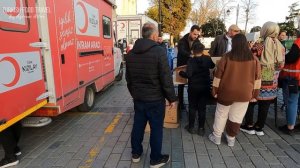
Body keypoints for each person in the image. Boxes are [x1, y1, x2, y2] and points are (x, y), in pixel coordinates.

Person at [125, 22, 177, 168]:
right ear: (154, 35)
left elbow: (128, 79)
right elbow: (165, 77)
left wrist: (134, 94)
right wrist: (171, 98)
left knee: (138, 125)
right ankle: (155, 159)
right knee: (156, 129)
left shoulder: (130, 54)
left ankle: (136, 154)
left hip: (139, 99)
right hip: (155, 99)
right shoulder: (159, 52)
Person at [208, 34, 261, 147]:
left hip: (226, 92)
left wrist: (215, 91)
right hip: (245, 94)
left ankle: (216, 137)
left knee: (221, 114)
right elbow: (257, 79)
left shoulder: (226, 57)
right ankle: (231, 138)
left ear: (234, 44)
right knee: (237, 116)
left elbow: (218, 76)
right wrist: (255, 95)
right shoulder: (254, 59)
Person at [240, 22, 285, 136]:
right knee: (265, 105)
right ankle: (259, 128)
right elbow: (281, 65)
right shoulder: (281, 47)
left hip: (256, 80)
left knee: (251, 101)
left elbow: (249, 62)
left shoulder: (259, 46)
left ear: (265, 31)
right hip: (272, 82)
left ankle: (249, 126)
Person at [179, 42, 215, 136]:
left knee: (192, 107)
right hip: (205, 87)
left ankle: (191, 127)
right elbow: (212, 66)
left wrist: (181, 73)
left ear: (193, 51)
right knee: (202, 108)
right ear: (202, 50)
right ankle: (201, 128)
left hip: (193, 87)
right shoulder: (207, 58)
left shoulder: (191, 61)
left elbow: (189, 75)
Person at [278, 31, 300, 135]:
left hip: (295, 78)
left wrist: (282, 57)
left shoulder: (298, 43)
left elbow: (291, 58)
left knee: (292, 101)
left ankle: (290, 127)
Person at [177, 25, 201, 112]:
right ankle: (181, 104)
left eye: (197, 34)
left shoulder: (197, 40)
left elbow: (199, 49)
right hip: (182, 64)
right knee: (181, 85)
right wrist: (190, 54)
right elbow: (182, 51)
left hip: (192, 65)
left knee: (192, 84)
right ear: (190, 32)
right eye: (194, 34)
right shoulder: (182, 40)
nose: (196, 36)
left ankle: (192, 103)